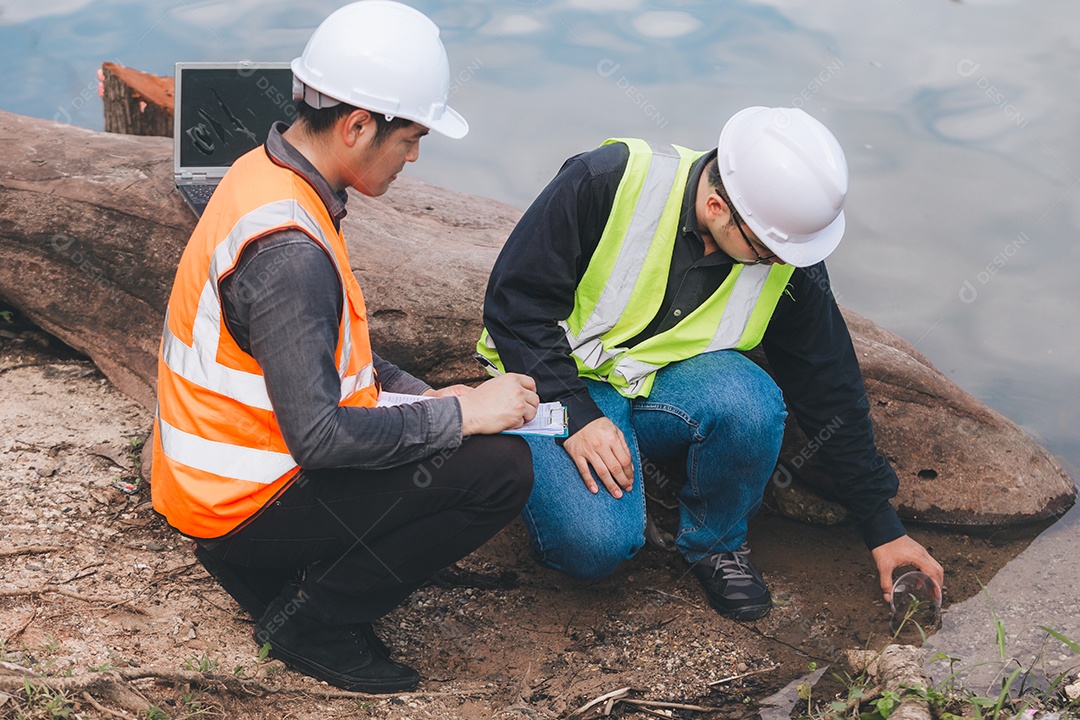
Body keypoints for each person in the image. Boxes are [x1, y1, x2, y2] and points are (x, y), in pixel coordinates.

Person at [151, 1, 538, 693]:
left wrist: (427, 395)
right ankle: (312, 623)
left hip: (215, 486)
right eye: (410, 137)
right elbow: (322, 441)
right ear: (358, 125)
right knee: (501, 469)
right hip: (240, 506)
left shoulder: (265, 174)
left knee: (462, 436)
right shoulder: (291, 253)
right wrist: (460, 417)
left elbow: (332, 350)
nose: (414, 156)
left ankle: (279, 570)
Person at [477, 107, 944, 621]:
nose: (777, 263)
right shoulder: (607, 180)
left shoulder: (780, 246)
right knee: (595, 547)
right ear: (717, 206)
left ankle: (715, 543)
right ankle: (534, 461)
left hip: (655, 386)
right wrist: (578, 416)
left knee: (752, 401)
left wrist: (882, 527)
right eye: (765, 251)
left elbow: (826, 380)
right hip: (549, 388)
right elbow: (515, 303)